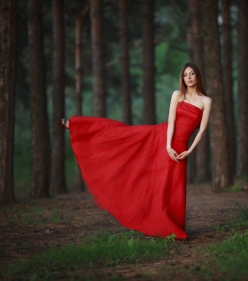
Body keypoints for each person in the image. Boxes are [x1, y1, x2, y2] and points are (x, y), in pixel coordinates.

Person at [59, 62, 211, 239]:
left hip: (182, 147)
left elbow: (202, 130)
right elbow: (171, 121)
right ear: (182, 78)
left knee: (172, 185)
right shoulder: (178, 94)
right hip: (162, 137)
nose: (189, 78)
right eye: (186, 75)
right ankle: (77, 127)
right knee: (123, 135)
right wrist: (168, 146)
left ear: (197, 76)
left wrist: (189, 150)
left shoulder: (206, 101)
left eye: (192, 74)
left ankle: (172, 225)